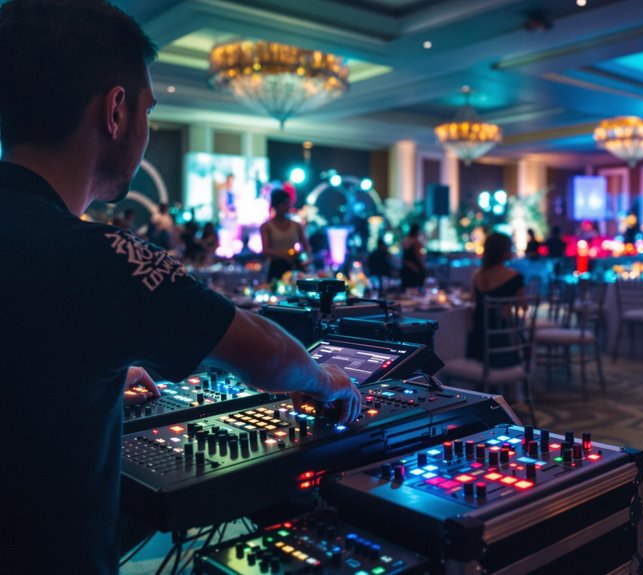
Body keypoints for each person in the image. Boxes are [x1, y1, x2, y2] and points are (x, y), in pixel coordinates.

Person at [0, 2, 362, 573]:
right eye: (148, 110)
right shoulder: (102, 256)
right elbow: (263, 353)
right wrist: (325, 379)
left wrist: (87, 373)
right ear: (116, 111)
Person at [466, 232, 525, 367]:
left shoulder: (477, 275)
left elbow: (473, 303)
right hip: (502, 345)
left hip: (476, 345)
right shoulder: (514, 276)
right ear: (505, 251)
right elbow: (524, 307)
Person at [259, 189, 311, 284]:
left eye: (288, 203)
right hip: (276, 267)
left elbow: (307, 247)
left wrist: (306, 259)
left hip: (294, 266)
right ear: (275, 205)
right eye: (284, 204)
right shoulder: (266, 226)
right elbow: (265, 250)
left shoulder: (296, 225)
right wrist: (285, 256)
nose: (287, 207)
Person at [400, 223, 426, 290]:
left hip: (413, 269)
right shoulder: (410, 241)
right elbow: (406, 258)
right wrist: (415, 267)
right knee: (412, 289)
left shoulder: (411, 240)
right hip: (411, 270)